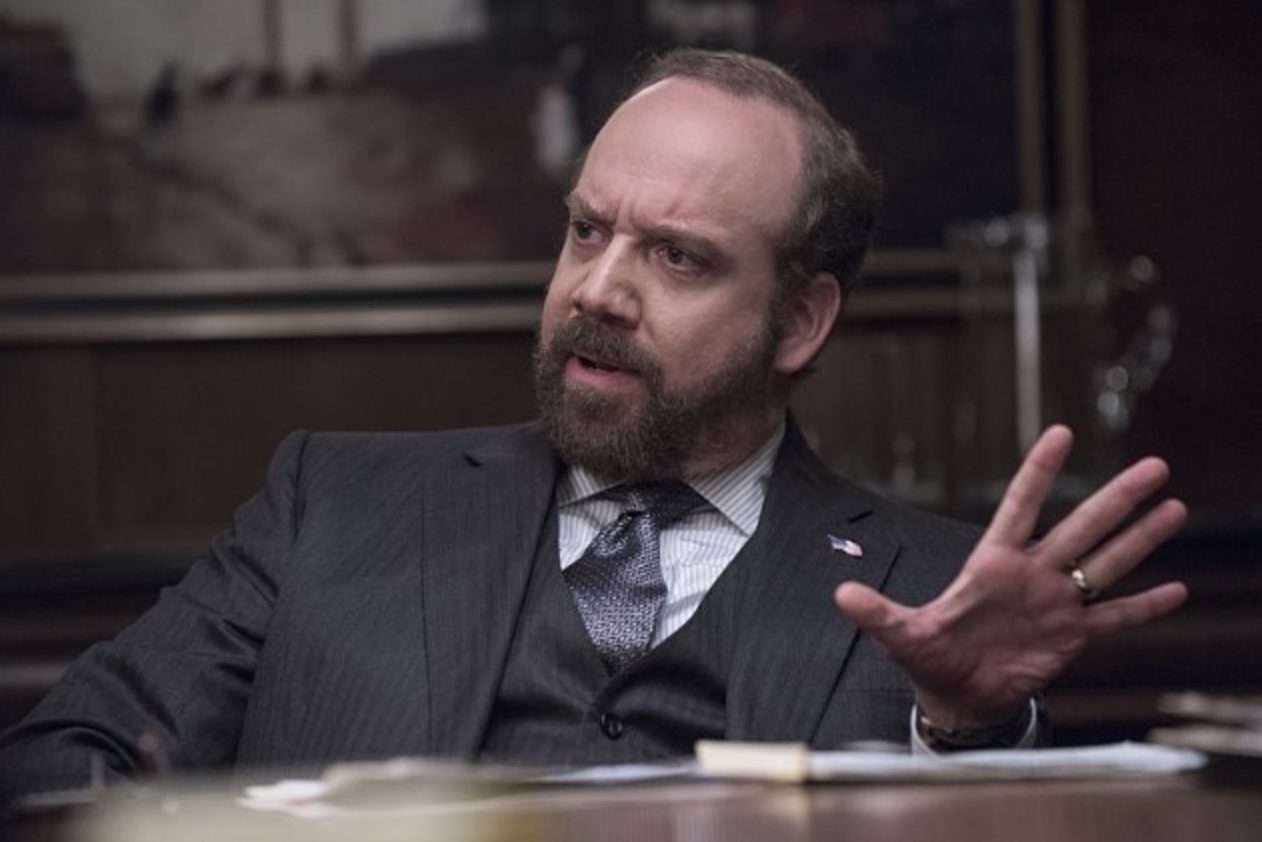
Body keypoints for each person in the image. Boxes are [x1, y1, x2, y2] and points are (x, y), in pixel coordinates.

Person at [0, 48, 1187, 801]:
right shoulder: (334, 502)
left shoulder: (930, 588)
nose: (597, 290)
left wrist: (969, 729)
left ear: (797, 319)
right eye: (585, 231)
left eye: (675, 256)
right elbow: (60, 756)